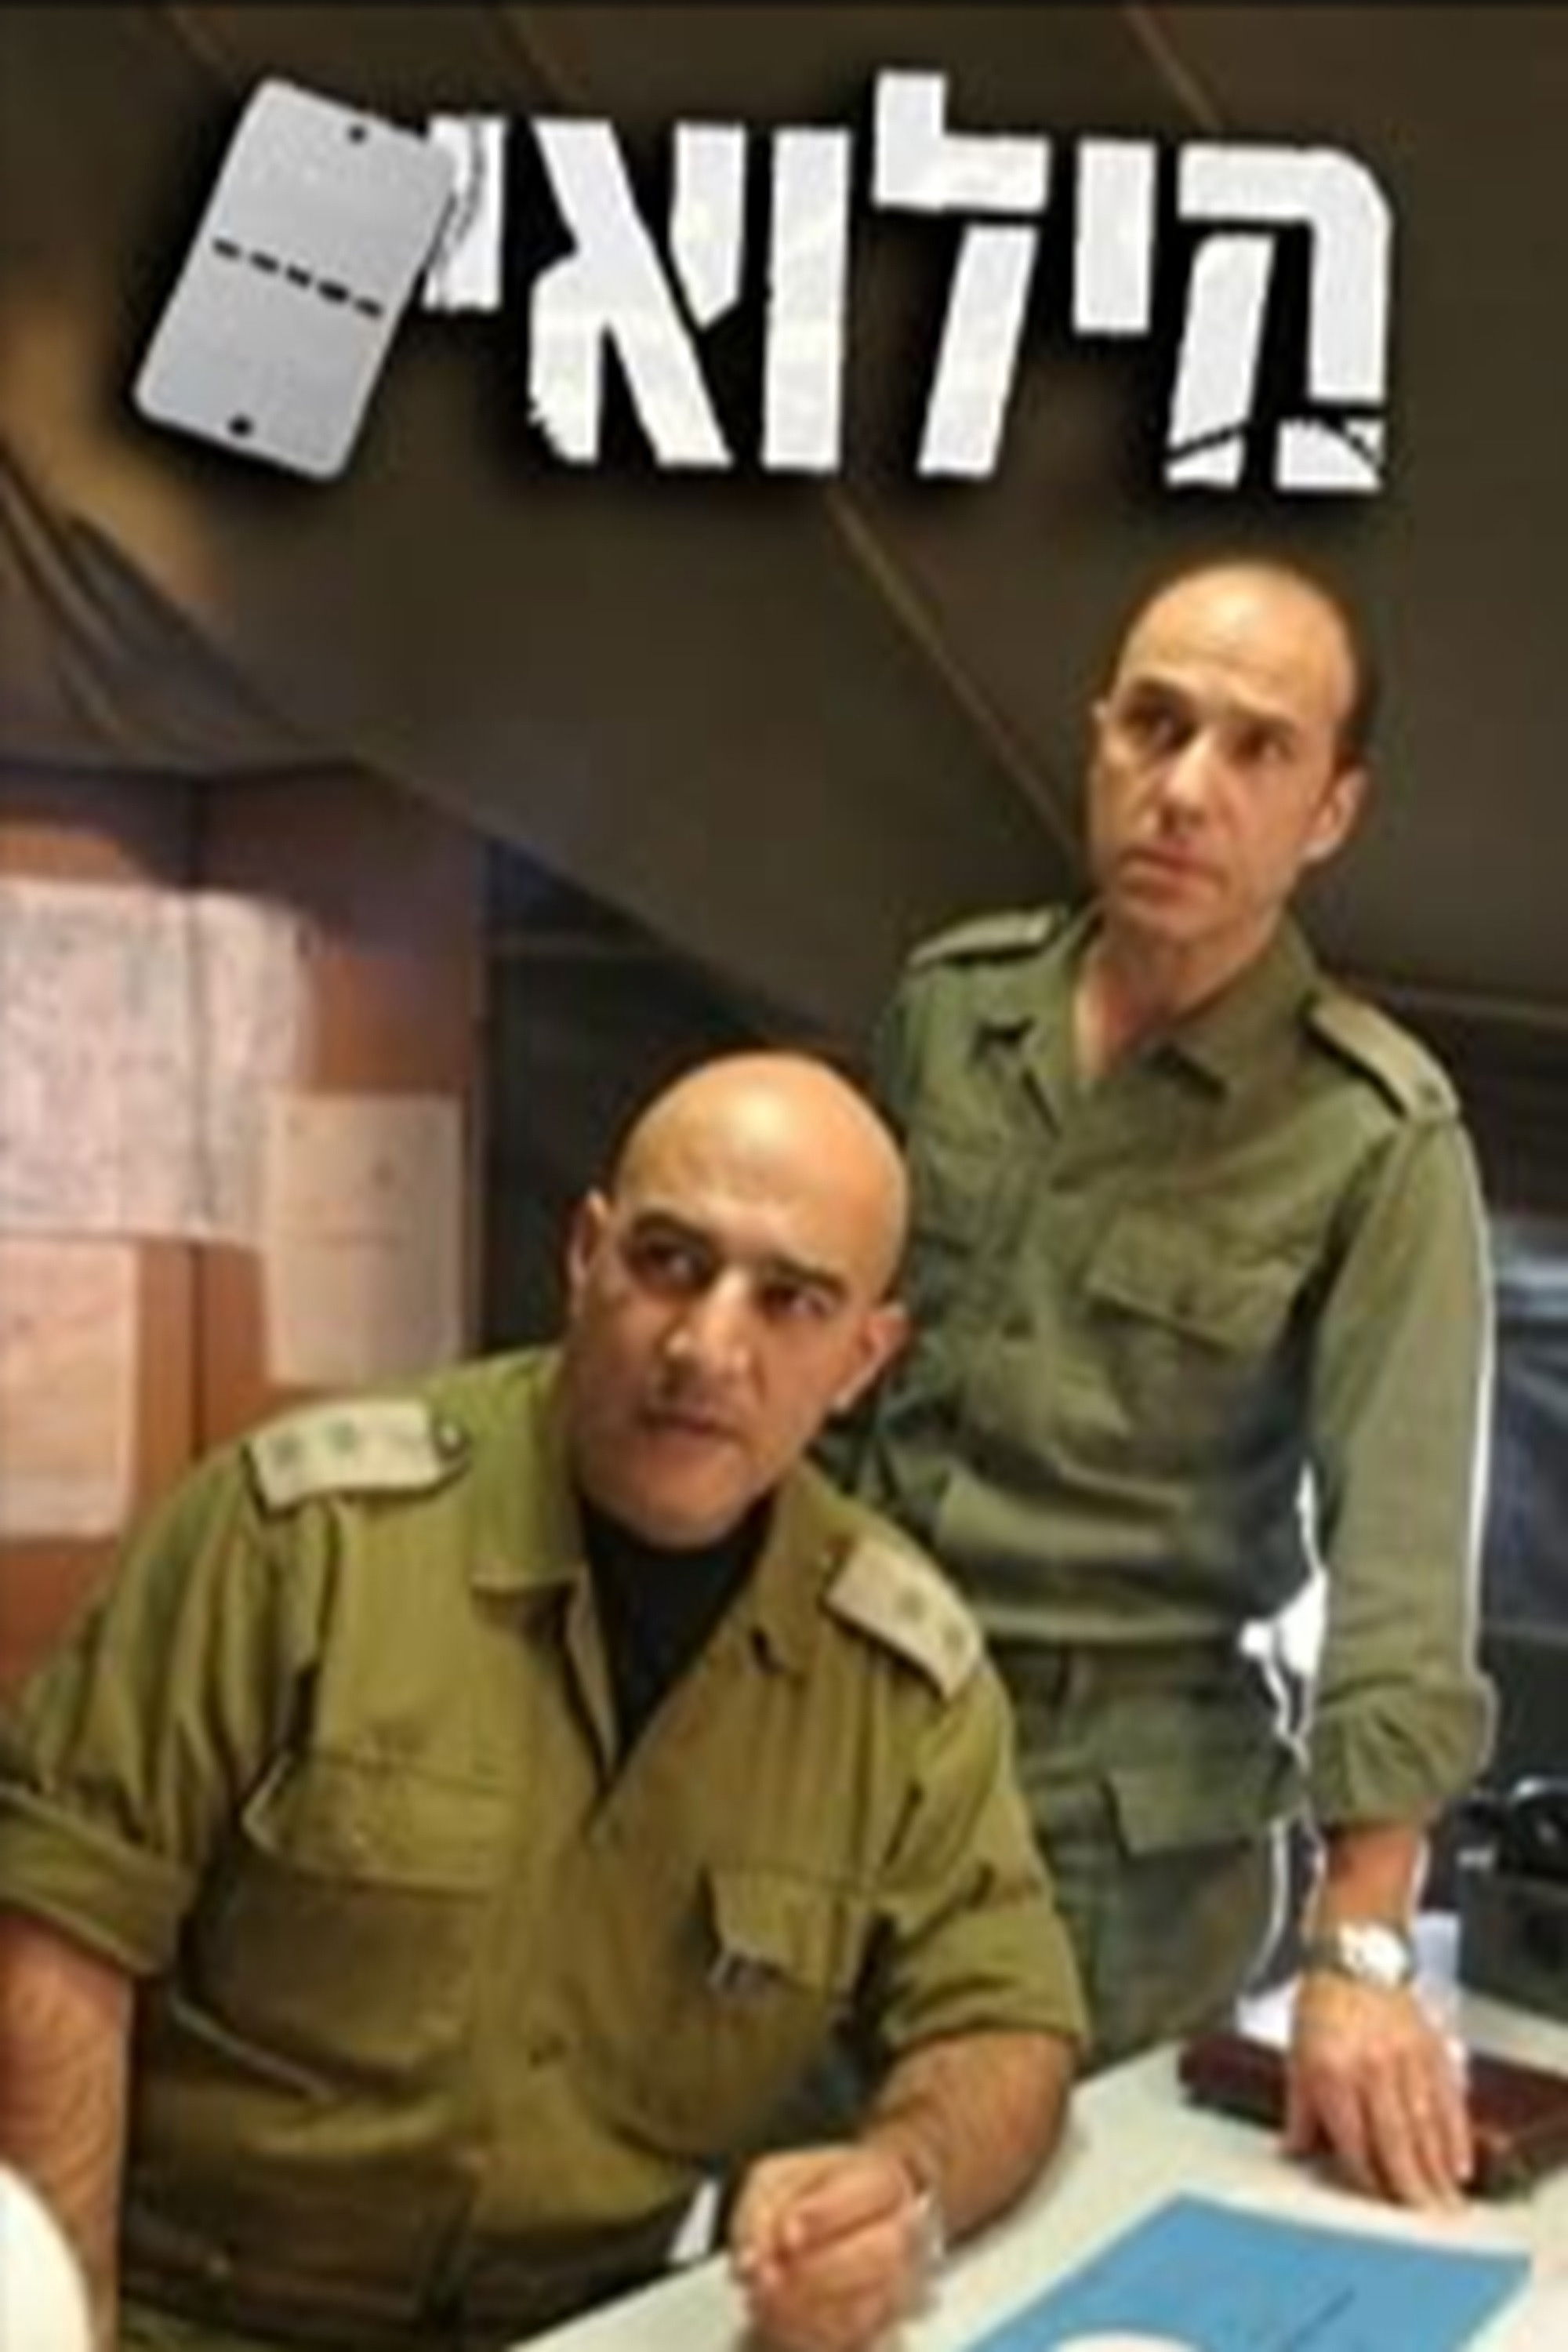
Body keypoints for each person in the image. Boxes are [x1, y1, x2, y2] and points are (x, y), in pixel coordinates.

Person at [0, 1053, 1084, 2352]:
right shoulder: (302, 1541)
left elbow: (1005, 2019)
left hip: (592, 2328)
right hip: (206, 2315)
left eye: (789, 1301)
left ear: (863, 1358)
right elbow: (60, 1935)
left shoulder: (897, 1678)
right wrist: (59, 2325)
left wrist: (899, 2187)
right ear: (584, 1256)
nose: (706, 1347)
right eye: (670, 1262)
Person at [831, 556, 1495, 2210]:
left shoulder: (1372, 1137)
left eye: (1258, 748)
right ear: (1099, 739)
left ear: (1331, 812)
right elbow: (830, 1391)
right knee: (802, 2244)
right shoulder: (951, 1012)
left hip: (1118, 1844)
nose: (1187, 787)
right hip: (836, 1761)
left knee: (1053, 2268)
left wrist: (1362, 1944)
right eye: (1156, 723)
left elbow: (1404, 1573)